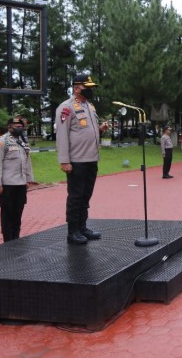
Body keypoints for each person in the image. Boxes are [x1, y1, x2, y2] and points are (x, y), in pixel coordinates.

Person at [56, 74, 108, 244]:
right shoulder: (66, 107)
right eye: (88, 87)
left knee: (86, 195)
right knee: (75, 196)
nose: (91, 90)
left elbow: (86, 131)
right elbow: (62, 136)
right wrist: (64, 160)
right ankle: (73, 231)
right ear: (77, 88)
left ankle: (82, 227)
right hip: (76, 160)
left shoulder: (90, 107)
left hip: (91, 158)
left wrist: (100, 130)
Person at [0, 117, 36, 242]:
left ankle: (16, 237)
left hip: (21, 184)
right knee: (7, 213)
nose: (19, 128)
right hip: (7, 184)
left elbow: (27, 162)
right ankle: (7, 240)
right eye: (16, 126)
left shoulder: (23, 142)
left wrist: (28, 179)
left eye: (21, 126)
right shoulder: (2, 141)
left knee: (18, 212)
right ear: (9, 127)